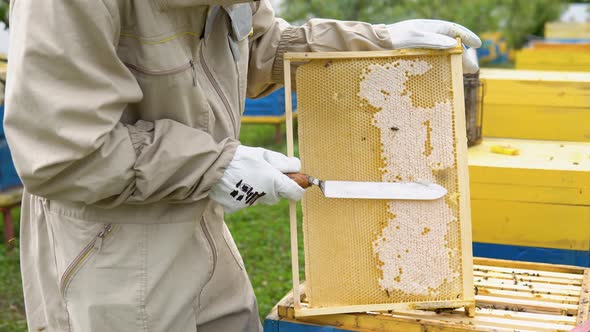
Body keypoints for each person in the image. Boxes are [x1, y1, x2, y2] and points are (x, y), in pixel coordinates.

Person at [5, 1, 481, 331]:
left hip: (202, 225)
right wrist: (213, 165)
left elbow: (260, 48)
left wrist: (374, 41)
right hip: (113, 247)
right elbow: (64, 153)